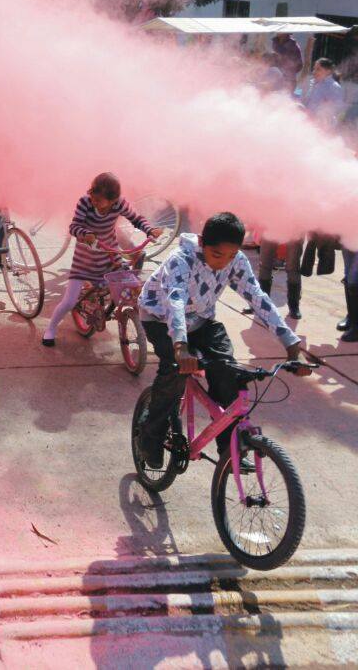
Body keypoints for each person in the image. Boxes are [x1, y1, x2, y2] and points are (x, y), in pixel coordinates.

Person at [136, 213, 309, 467]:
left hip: (202, 320)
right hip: (160, 319)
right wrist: (181, 347)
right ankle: (149, 438)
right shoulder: (181, 260)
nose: (224, 263)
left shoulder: (235, 261)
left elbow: (257, 297)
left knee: (227, 372)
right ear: (202, 242)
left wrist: (291, 344)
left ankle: (231, 450)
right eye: (217, 255)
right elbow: (175, 301)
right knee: (174, 373)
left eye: (231, 255)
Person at [40, 172, 161, 346]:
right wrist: (86, 234)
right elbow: (74, 226)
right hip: (84, 261)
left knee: (132, 288)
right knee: (69, 301)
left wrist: (149, 230)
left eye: (99, 200)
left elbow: (136, 218)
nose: (95, 201)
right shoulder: (85, 203)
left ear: (113, 200)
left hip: (110, 257)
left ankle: (133, 321)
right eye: (93, 197)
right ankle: (51, 329)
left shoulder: (119, 204)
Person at [303, 58, 346, 131]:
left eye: (318, 69)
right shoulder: (312, 82)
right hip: (307, 123)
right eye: (314, 69)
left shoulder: (333, 87)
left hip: (322, 126)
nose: (314, 72)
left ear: (328, 71)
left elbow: (337, 108)